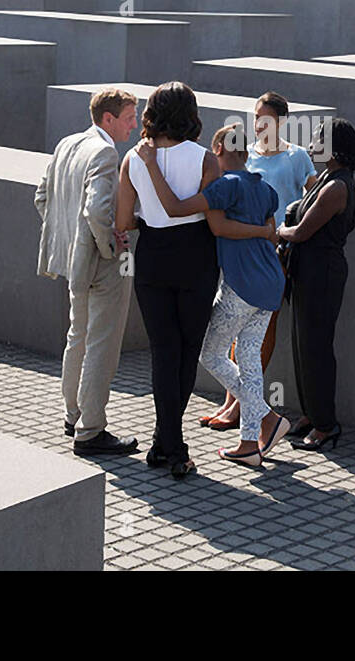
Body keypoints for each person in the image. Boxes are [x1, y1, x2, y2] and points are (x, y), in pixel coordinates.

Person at [115, 82, 272, 479]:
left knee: (162, 353)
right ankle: (172, 446)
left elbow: (121, 221)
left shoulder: (132, 158)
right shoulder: (206, 159)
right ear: (191, 114)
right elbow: (207, 213)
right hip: (195, 261)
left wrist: (144, 218)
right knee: (185, 354)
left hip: (151, 257)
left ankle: (164, 442)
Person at [135, 122, 290, 467]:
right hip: (270, 284)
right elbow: (273, 235)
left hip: (242, 287)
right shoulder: (265, 189)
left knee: (209, 352)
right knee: (249, 360)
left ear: (218, 150)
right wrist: (263, 232)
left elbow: (178, 209)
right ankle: (251, 442)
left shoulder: (223, 187)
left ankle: (266, 419)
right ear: (246, 152)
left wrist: (149, 164)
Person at [197, 91, 317, 431]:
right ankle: (231, 402)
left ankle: (242, 410)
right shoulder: (243, 155)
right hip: (242, 250)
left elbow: (314, 193)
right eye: (256, 117)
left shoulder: (295, 157)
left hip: (275, 254)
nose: (260, 124)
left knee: (259, 334)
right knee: (237, 335)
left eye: (266, 118)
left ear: (281, 121)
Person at [35, 87, 140, 456]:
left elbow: (41, 197)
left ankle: (72, 414)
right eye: (129, 118)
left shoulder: (67, 144)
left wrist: (70, 241)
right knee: (102, 344)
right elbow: (98, 212)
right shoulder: (106, 152)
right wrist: (111, 246)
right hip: (99, 265)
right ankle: (91, 429)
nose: (134, 125)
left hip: (71, 264)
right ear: (107, 119)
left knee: (77, 336)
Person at [277, 117, 355, 452]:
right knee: (301, 345)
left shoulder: (337, 187)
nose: (311, 148)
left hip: (322, 274)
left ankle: (327, 425)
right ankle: (311, 413)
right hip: (308, 270)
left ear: (335, 149)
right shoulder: (327, 179)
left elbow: (300, 232)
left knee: (317, 349)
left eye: (317, 142)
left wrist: (273, 232)